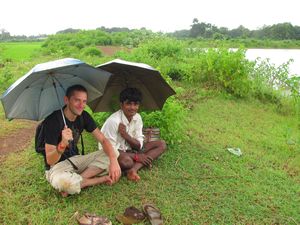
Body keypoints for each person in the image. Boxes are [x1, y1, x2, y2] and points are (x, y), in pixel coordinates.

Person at [44, 84, 121, 196]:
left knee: (114, 151)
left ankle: (79, 180)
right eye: (77, 101)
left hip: (77, 160)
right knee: (62, 182)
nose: (82, 105)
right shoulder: (52, 121)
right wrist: (62, 144)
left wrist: (113, 161)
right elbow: (50, 160)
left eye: (84, 101)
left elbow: (103, 140)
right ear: (67, 100)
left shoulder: (84, 116)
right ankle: (95, 180)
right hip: (58, 167)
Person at [99, 88, 166, 181]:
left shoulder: (137, 118)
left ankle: (132, 170)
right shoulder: (114, 121)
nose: (132, 108)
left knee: (161, 144)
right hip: (114, 153)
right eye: (129, 104)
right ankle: (134, 165)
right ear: (121, 105)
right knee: (127, 162)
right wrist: (136, 157)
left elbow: (139, 145)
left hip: (131, 150)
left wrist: (126, 135)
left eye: (135, 104)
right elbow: (109, 149)